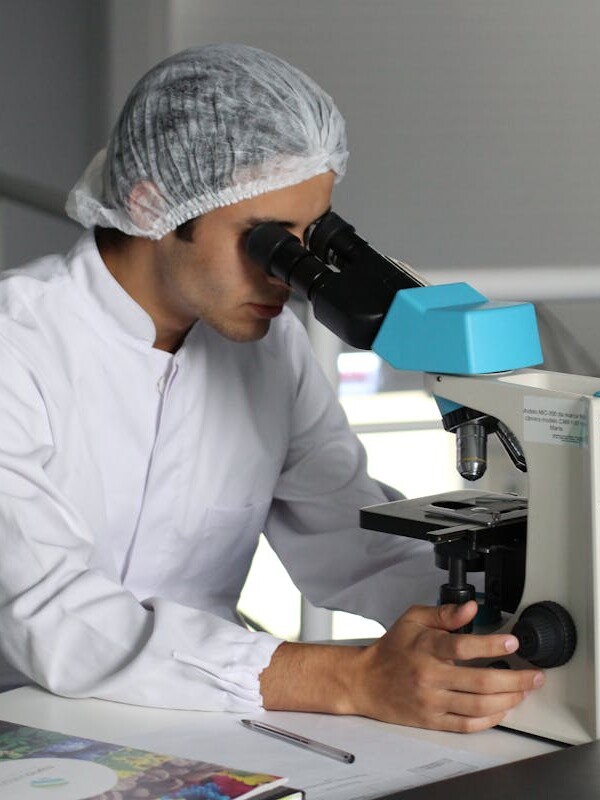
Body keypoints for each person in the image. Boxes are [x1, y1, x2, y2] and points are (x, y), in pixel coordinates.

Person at [0, 43, 543, 732]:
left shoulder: (271, 351)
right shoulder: (15, 346)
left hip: (196, 724)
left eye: (310, 239)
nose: (287, 275)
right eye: (267, 241)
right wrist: (350, 681)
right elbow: (47, 615)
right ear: (155, 203)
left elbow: (354, 542)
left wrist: (495, 619)